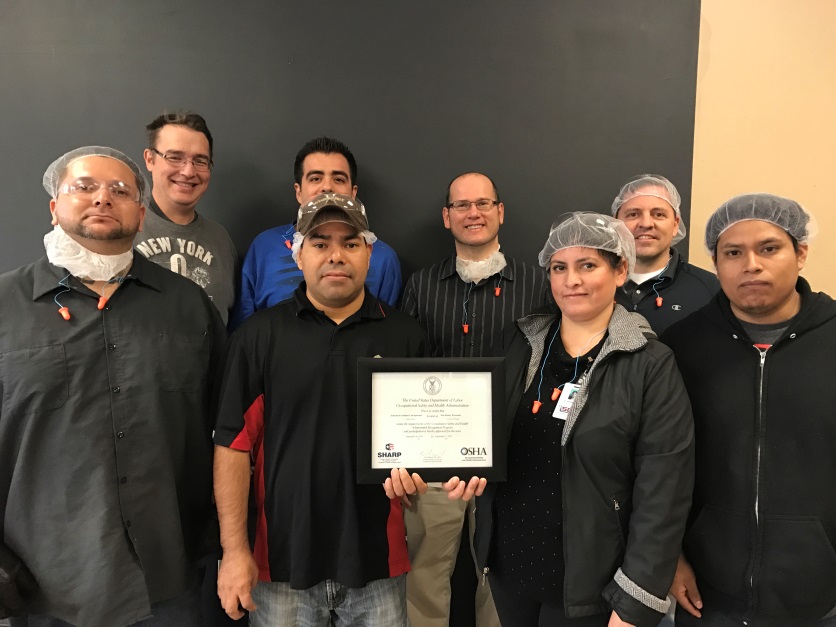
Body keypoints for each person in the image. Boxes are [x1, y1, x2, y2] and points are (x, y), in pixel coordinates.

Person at [0, 146, 226, 627]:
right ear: (54, 206)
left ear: (141, 215)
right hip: (44, 585)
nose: (103, 198)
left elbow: (225, 429)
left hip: (170, 581)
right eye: (84, 187)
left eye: (120, 191)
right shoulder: (4, 306)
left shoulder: (188, 307)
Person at [214, 193, 446, 626]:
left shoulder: (406, 336)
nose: (336, 255)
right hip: (280, 563)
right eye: (320, 243)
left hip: (378, 562)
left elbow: (422, 445)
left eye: (351, 242)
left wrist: (418, 478)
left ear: (369, 253)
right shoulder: (259, 336)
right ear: (297, 253)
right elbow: (233, 444)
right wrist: (234, 552)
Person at [474, 212, 694, 627]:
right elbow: (487, 436)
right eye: (560, 268)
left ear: (621, 270)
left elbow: (664, 490)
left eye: (587, 265)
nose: (571, 280)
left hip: (593, 583)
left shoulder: (649, 363)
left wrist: (636, 600)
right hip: (512, 565)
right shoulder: (521, 342)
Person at [662, 194, 836, 627]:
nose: (751, 264)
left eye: (769, 248)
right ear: (716, 263)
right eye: (733, 253)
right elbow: (657, 463)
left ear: (801, 253)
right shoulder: (681, 346)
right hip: (706, 594)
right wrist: (671, 555)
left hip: (819, 595)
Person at [401, 172, 549, 627]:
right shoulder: (421, 286)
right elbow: (405, 372)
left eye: (484, 204)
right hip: (435, 460)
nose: (474, 213)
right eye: (462, 205)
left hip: (512, 458)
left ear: (500, 213)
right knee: (424, 574)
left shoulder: (539, 284)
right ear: (447, 217)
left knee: (500, 576)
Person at [231, 137, 401, 327]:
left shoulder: (383, 259)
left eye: (338, 179)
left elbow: (388, 335)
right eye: (315, 178)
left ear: (353, 192)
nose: (327, 187)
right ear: (298, 191)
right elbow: (244, 330)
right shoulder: (264, 248)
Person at [134, 111, 239, 325]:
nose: (189, 171)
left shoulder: (220, 240)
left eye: (200, 161)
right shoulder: (121, 228)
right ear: (149, 159)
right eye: (175, 157)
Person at [612, 174, 719, 334]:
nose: (646, 224)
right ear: (616, 223)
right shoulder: (592, 285)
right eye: (633, 214)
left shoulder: (710, 290)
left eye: (658, 214)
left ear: (675, 225)